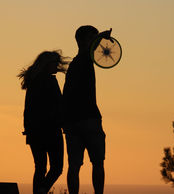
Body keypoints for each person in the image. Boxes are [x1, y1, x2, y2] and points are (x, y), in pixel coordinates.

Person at [62, 25, 111, 194]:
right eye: (92, 38)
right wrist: (101, 37)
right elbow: (87, 52)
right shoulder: (82, 60)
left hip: (74, 122)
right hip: (88, 120)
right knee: (95, 163)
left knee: (76, 165)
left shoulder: (77, 64)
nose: (95, 43)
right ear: (82, 41)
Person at [18, 50, 69, 194]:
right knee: (56, 168)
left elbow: (28, 108)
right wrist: (63, 123)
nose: (57, 66)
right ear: (47, 64)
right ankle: (42, 190)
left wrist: (27, 128)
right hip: (51, 131)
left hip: (35, 132)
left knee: (40, 167)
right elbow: (59, 104)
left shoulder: (33, 81)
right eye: (54, 63)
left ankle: (40, 191)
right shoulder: (50, 81)